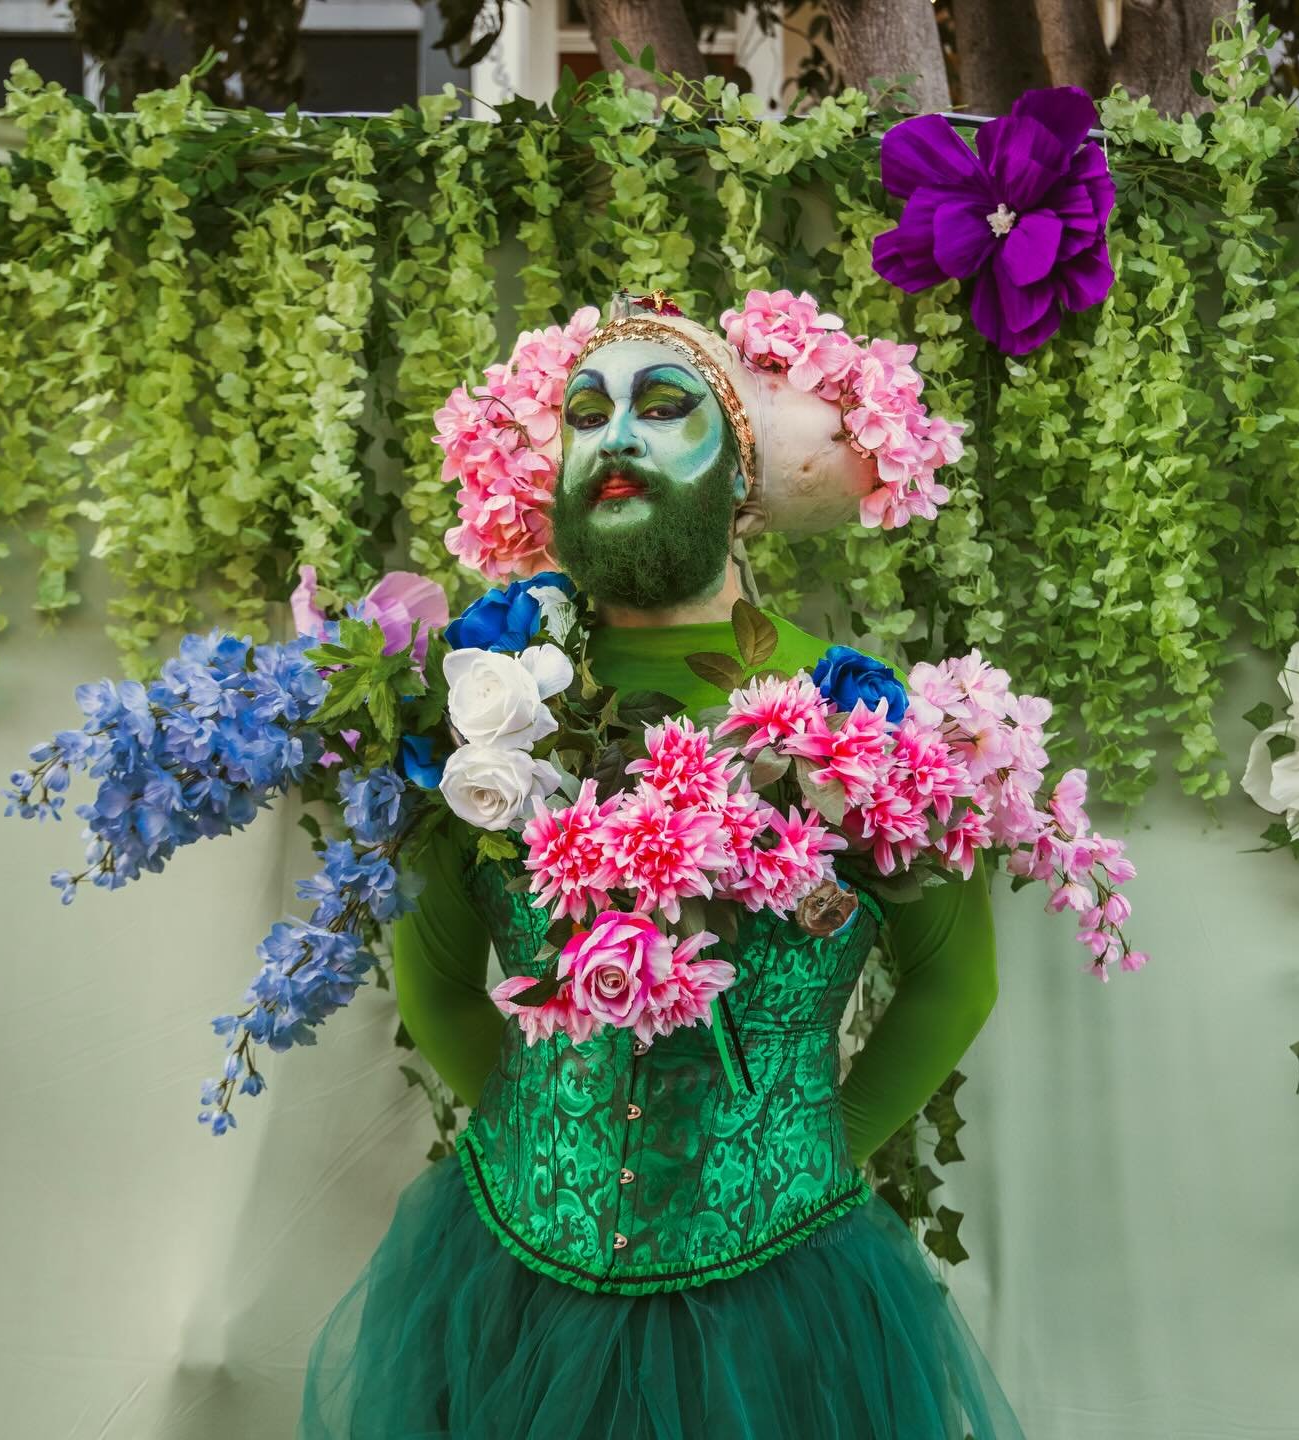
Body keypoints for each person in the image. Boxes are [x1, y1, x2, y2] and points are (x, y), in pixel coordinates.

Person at [297, 293, 1027, 1438]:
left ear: (745, 479)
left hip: (783, 1291)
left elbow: (954, 980)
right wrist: (538, 1117)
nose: (617, 437)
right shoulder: (480, 705)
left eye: (664, 406)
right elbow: (432, 973)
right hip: (514, 1286)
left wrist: (822, 1144)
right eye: (586, 414)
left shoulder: (861, 719)